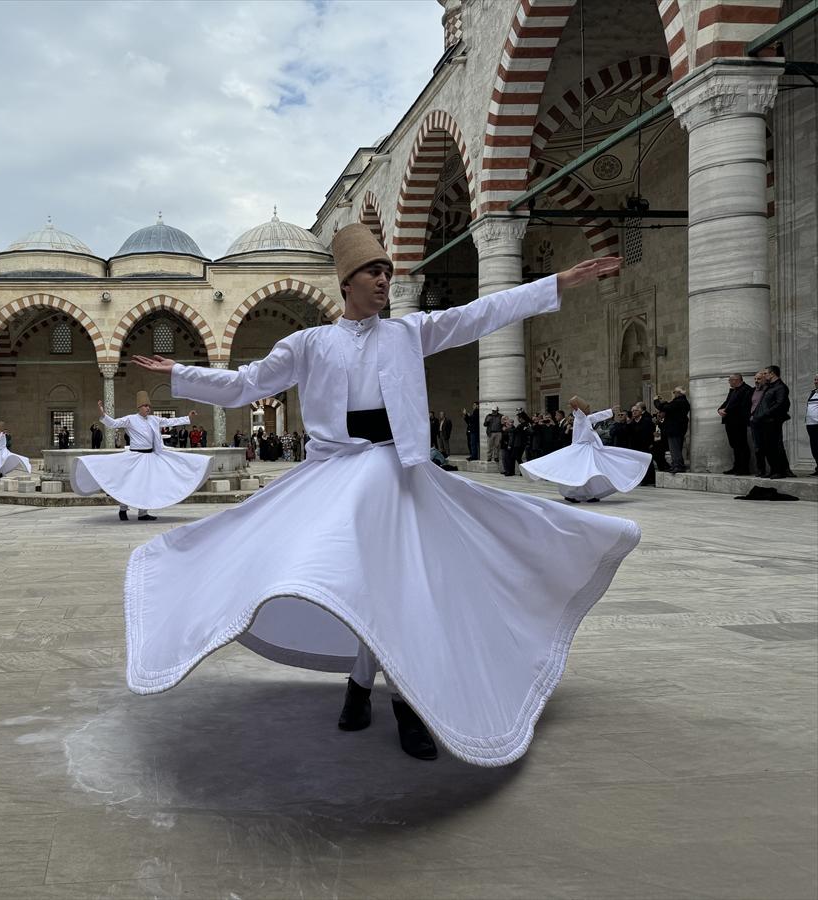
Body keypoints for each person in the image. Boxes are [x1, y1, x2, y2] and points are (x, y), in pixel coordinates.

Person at [123, 224, 636, 765]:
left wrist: (555, 283)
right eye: (374, 272)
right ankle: (364, 686)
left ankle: (392, 698)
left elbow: (479, 315)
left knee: (400, 584)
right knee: (352, 579)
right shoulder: (309, 343)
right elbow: (247, 383)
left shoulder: (408, 333)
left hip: (397, 471)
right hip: (339, 472)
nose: (385, 281)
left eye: (389, 272)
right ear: (347, 282)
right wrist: (181, 371)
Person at [71, 393, 211, 521]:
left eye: (149, 406)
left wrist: (188, 418)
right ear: (139, 407)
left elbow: (170, 422)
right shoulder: (131, 419)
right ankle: (123, 509)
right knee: (128, 484)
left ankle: (143, 513)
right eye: (145, 406)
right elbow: (114, 424)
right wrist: (102, 414)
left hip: (149, 457)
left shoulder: (154, 419)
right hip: (134, 456)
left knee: (146, 485)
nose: (147, 408)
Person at [521, 397, 652, 503]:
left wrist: (610, 411)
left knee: (588, 472)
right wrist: (576, 404)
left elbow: (596, 417)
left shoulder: (585, 418)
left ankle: (585, 494)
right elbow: (579, 409)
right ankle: (577, 494)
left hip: (587, 448)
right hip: (582, 449)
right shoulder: (580, 416)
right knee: (583, 472)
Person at [754, 365, 793, 479]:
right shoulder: (769, 387)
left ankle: (779, 471)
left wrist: (765, 414)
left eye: (765, 373)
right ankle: (773, 470)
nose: (764, 375)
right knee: (767, 447)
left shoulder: (781, 387)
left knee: (774, 446)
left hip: (773, 421)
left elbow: (781, 404)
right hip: (764, 421)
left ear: (772, 374)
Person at [718, 373, 755, 475]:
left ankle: (744, 468)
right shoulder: (733, 390)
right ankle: (737, 466)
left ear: (736, 380)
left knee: (741, 444)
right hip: (730, 421)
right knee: (734, 445)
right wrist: (720, 410)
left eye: (730, 380)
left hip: (739, 421)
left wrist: (726, 411)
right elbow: (727, 402)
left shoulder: (746, 389)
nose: (729, 382)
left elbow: (743, 406)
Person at [654, 387, 690, 473]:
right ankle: (676, 465)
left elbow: (662, 407)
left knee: (675, 449)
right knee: (676, 448)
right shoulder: (681, 402)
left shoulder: (679, 401)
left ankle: (678, 466)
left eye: (674, 392)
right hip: (677, 429)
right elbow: (667, 406)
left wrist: (656, 400)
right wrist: (664, 402)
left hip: (674, 429)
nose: (673, 394)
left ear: (679, 393)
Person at [807, 375, 818, 477]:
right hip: (810, 424)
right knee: (814, 448)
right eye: (815, 379)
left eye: (817, 379)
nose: (815, 381)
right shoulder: (813, 392)